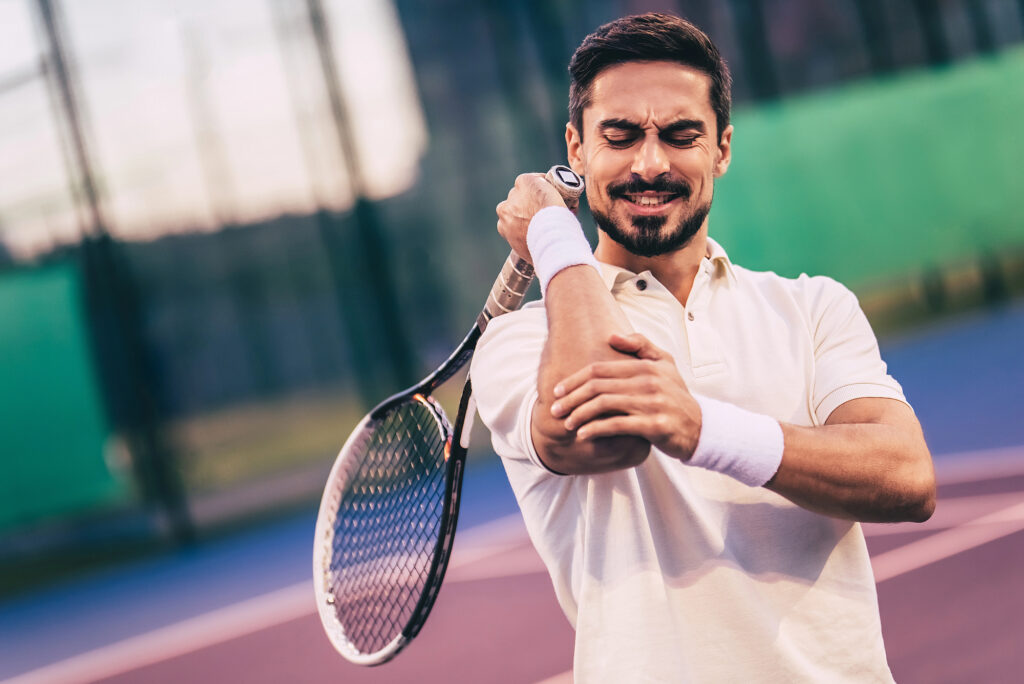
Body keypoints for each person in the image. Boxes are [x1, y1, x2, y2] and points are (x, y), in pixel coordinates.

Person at [469, 12, 936, 683]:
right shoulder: (520, 342)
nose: (650, 163)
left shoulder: (811, 307)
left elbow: (907, 478)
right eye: (620, 136)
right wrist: (553, 237)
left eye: (681, 135)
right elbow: (606, 435)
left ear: (721, 149)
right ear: (576, 149)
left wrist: (702, 427)